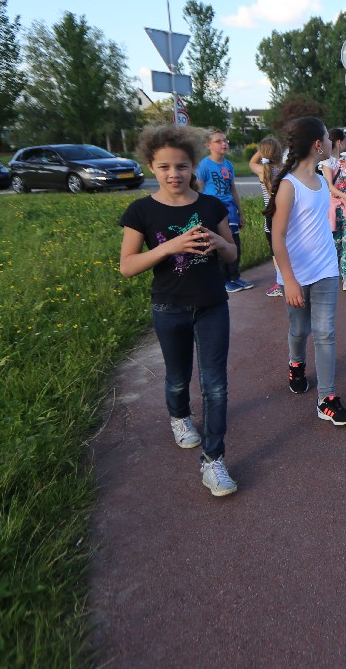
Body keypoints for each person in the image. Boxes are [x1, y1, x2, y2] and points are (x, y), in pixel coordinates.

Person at [119, 125, 239, 496]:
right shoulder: (141, 211)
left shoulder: (210, 206)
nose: (174, 174)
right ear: (151, 167)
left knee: (215, 385)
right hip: (168, 307)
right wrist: (170, 247)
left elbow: (232, 253)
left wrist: (219, 242)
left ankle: (213, 460)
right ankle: (180, 415)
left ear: (193, 167)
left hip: (212, 305)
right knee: (177, 377)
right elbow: (127, 266)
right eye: (165, 167)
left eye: (182, 166)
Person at [268, 117, 346, 424]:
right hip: (295, 275)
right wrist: (289, 280)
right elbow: (277, 237)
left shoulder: (323, 180)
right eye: (328, 139)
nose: (333, 143)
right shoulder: (288, 185)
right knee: (299, 329)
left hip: (326, 270)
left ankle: (326, 399)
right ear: (318, 145)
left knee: (325, 333)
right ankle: (296, 363)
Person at [197, 129, 252, 292]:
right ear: (208, 145)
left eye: (225, 140)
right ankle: (224, 280)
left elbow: (233, 189)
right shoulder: (204, 165)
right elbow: (198, 190)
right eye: (218, 141)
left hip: (230, 209)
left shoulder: (228, 165)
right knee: (220, 244)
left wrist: (240, 212)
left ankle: (235, 276)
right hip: (214, 210)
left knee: (234, 243)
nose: (224, 144)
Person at [319, 127, 346, 291]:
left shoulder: (345, 160)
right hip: (333, 208)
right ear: (338, 142)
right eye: (345, 140)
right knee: (335, 242)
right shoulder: (326, 163)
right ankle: (332, 271)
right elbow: (330, 186)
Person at [249, 136, 285, 297]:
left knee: (275, 252)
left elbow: (251, 162)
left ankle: (281, 282)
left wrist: (261, 152)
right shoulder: (285, 171)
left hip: (270, 219)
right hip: (285, 216)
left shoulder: (262, 171)